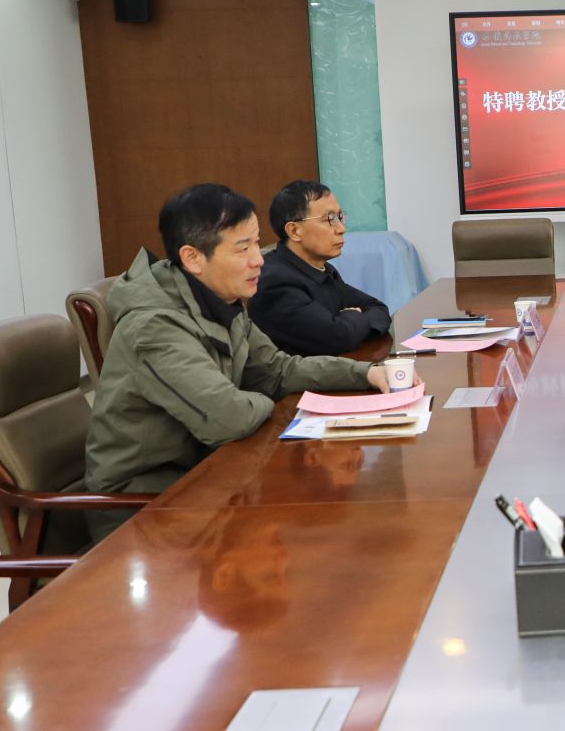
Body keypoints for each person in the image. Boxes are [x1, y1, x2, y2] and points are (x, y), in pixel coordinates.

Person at [84, 184, 395, 538]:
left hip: (207, 475)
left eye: (256, 243)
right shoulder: (154, 327)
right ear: (193, 258)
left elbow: (278, 370)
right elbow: (228, 419)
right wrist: (269, 403)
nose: (259, 259)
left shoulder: (221, 302)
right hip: (144, 511)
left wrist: (365, 373)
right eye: (243, 248)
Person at [251, 180, 394, 355]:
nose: (341, 228)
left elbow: (378, 309)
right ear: (294, 231)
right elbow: (338, 338)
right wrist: (354, 316)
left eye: (340, 217)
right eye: (330, 220)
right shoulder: (275, 282)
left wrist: (348, 325)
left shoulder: (321, 269)